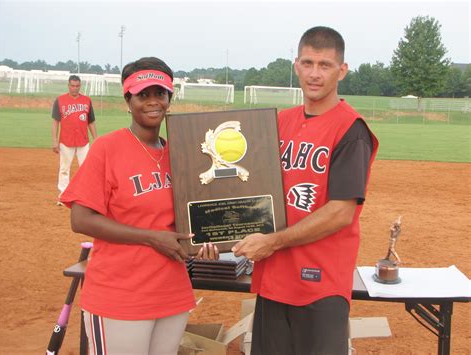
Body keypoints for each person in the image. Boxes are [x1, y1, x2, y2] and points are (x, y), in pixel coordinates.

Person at [232, 26, 379, 354]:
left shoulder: (351, 129)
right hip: (274, 278)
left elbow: (341, 212)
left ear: (342, 71)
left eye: (325, 65)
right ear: (296, 65)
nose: (315, 74)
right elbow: (249, 184)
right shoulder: (279, 121)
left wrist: (272, 241)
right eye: (308, 63)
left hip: (320, 284)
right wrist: (215, 231)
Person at [59, 57, 219, 355]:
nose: (152, 101)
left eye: (160, 93)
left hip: (171, 293)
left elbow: (192, 220)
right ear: (127, 100)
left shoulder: (182, 154)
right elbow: (80, 219)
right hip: (120, 295)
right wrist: (150, 237)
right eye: (142, 94)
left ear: (170, 98)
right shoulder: (107, 148)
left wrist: (208, 243)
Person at [52, 75, 97, 205]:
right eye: (72, 86)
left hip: (83, 141)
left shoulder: (87, 100)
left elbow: (91, 122)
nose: (75, 88)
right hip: (66, 140)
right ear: (68, 85)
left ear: (80, 86)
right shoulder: (60, 100)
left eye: (77, 86)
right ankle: (63, 195)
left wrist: (96, 139)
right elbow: (55, 122)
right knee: (64, 168)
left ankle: (86, 195)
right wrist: (55, 140)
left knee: (87, 168)